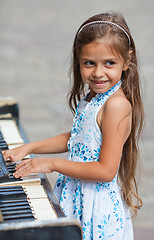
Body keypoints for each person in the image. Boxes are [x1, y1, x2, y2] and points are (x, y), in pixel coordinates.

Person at [3, 11, 144, 240]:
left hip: (96, 209)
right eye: (89, 63)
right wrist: (30, 147)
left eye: (109, 63)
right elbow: (76, 138)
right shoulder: (93, 98)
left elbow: (106, 171)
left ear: (127, 60)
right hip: (77, 195)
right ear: (78, 60)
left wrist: (52, 163)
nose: (98, 73)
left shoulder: (116, 105)